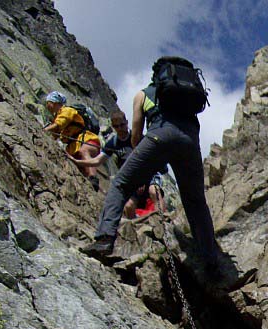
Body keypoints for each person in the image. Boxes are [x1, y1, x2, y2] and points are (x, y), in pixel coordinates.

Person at [83, 59, 217, 272]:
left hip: (157, 138)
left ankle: (104, 239)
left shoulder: (144, 94)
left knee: (120, 184)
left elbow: (136, 134)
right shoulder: (187, 96)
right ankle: (211, 259)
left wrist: (144, 161)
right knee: (196, 202)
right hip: (190, 144)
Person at [69, 110, 167, 218]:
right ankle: (136, 226)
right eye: (116, 126)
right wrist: (78, 162)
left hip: (149, 173)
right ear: (113, 127)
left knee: (154, 192)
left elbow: (150, 161)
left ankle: (162, 221)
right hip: (132, 178)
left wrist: (142, 179)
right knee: (129, 206)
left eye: (122, 125)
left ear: (127, 122)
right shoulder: (113, 143)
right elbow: (97, 161)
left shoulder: (139, 138)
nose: (120, 129)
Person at [42, 91, 101, 189]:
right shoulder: (57, 117)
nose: (47, 105)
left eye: (48, 102)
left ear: (55, 102)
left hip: (86, 140)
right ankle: (89, 185)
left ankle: (93, 177)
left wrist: (43, 130)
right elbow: (55, 134)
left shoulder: (67, 110)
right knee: (79, 169)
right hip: (73, 147)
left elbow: (59, 124)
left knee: (84, 151)